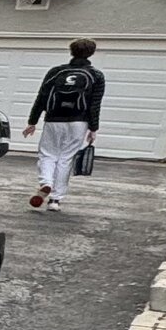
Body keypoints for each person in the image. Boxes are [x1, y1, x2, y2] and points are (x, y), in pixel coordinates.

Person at [24, 38, 104, 212]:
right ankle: (55, 200)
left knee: (48, 154)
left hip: (54, 120)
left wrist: (32, 121)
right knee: (66, 158)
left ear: (71, 51)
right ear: (91, 53)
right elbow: (95, 104)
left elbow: (42, 97)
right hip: (78, 121)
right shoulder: (96, 75)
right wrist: (93, 128)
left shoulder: (56, 72)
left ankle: (46, 182)